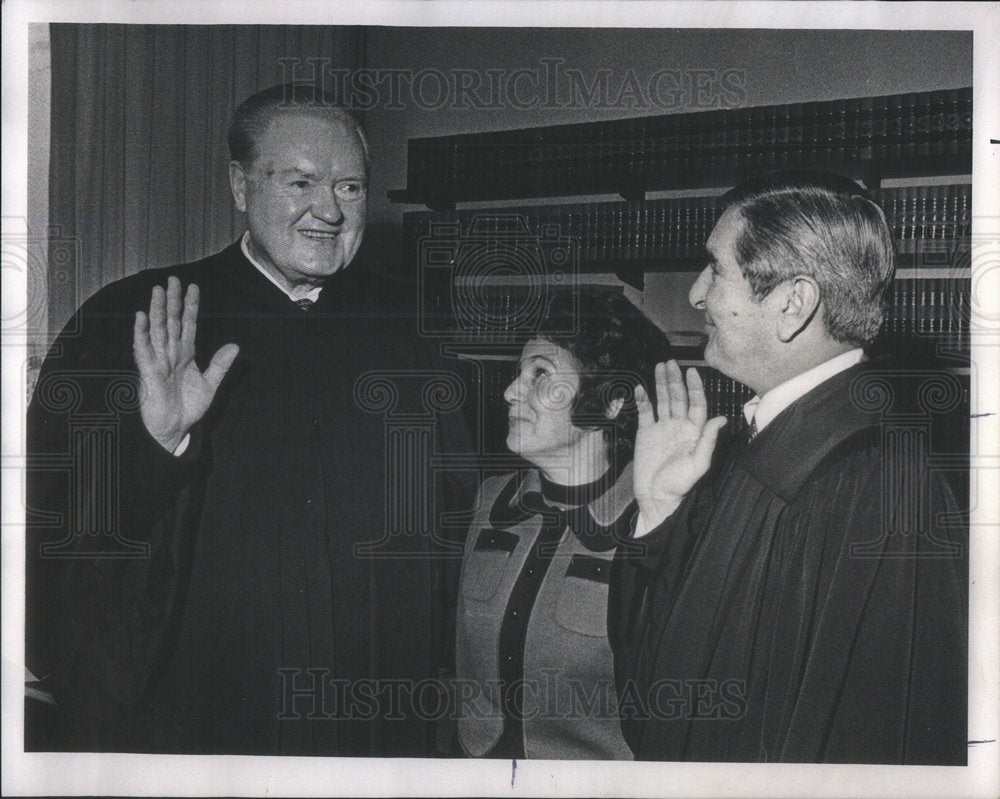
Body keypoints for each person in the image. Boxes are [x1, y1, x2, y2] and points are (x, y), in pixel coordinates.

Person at [25, 84, 472, 756]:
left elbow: (454, 518)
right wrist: (156, 443)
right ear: (240, 185)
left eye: (350, 187)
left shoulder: (411, 332)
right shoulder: (138, 318)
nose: (329, 210)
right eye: (301, 182)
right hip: (199, 704)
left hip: (372, 705)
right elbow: (51, 521)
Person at [611, 170, 968, 764]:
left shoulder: (869, 481)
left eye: (715, 269)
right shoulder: (761, 445)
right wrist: (659, 511)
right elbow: (669, 695)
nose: (696, 294)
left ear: (793, 305)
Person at [454, 289, 672, 759]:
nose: (511, 391)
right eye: (519, 373)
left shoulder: (654, 523)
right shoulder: (490, 500)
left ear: (610, 402)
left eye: (540, 374)